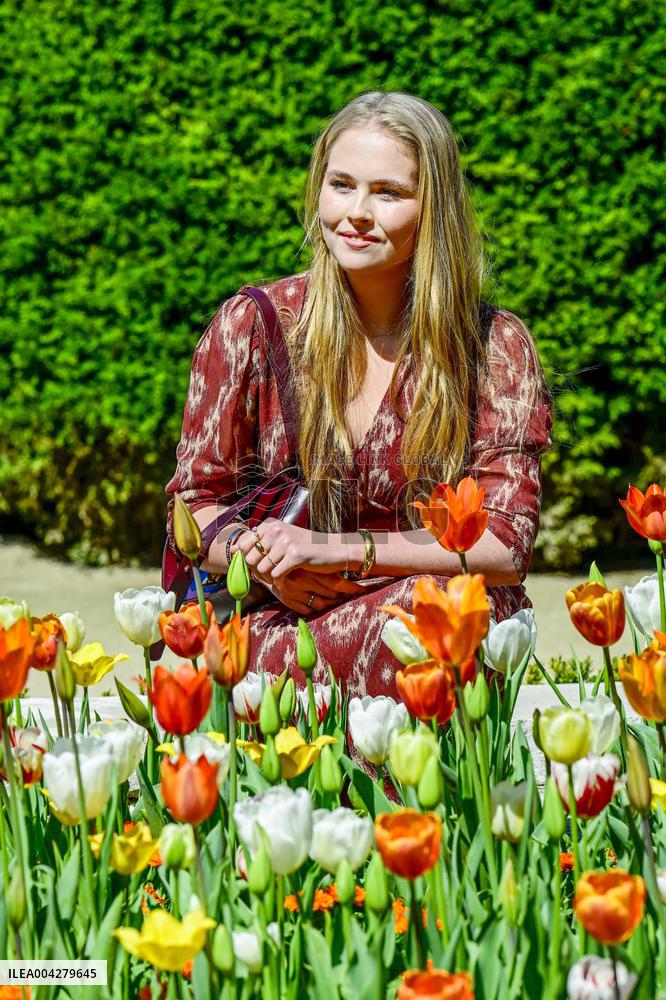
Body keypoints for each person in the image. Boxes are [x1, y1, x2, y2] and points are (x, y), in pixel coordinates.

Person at [165, 91, 553, 699]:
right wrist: (264, 561)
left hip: (423, 619)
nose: (357, 213)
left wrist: (335, 551)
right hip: (277, 616)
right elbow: (192, 508)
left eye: (389, 192)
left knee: (443, 615)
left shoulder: (491, 346)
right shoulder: (252, 328)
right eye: (341, 185)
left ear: (435, 209)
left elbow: (503, 544)